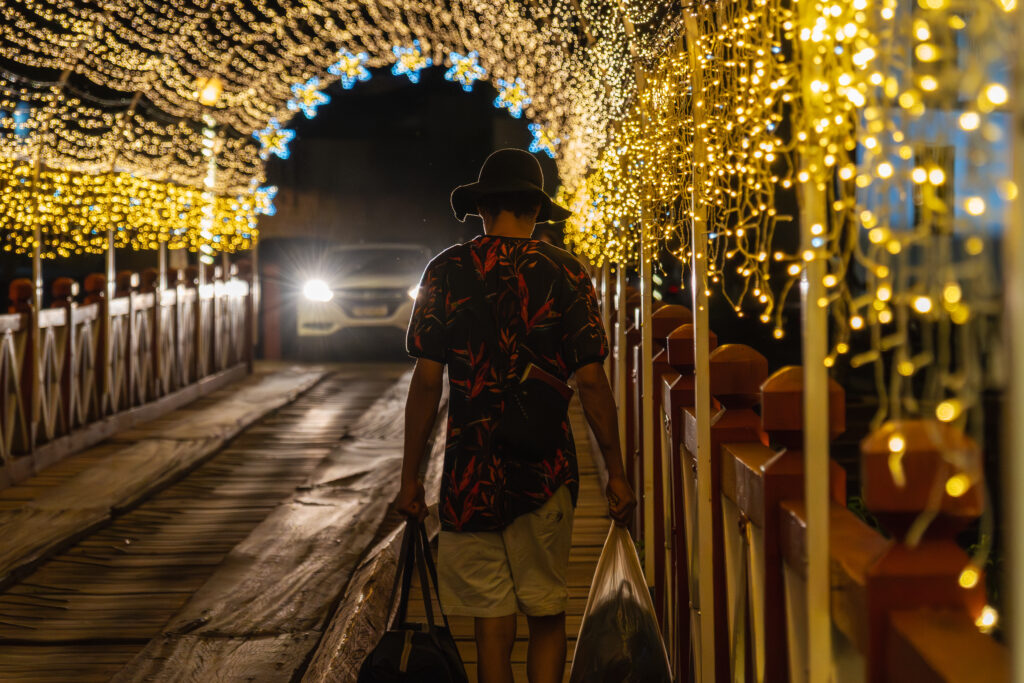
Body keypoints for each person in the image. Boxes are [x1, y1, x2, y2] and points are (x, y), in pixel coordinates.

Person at [393, 148, 636, 683]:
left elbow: (427, 381)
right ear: (537, 211)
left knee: (490, 625)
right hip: (544, 471)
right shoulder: (567, 271)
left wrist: (410, 478)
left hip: (468, 475)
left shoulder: (445, 270)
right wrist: (616, 472)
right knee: (546, 614)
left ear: (482, 208)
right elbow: (591, 381)